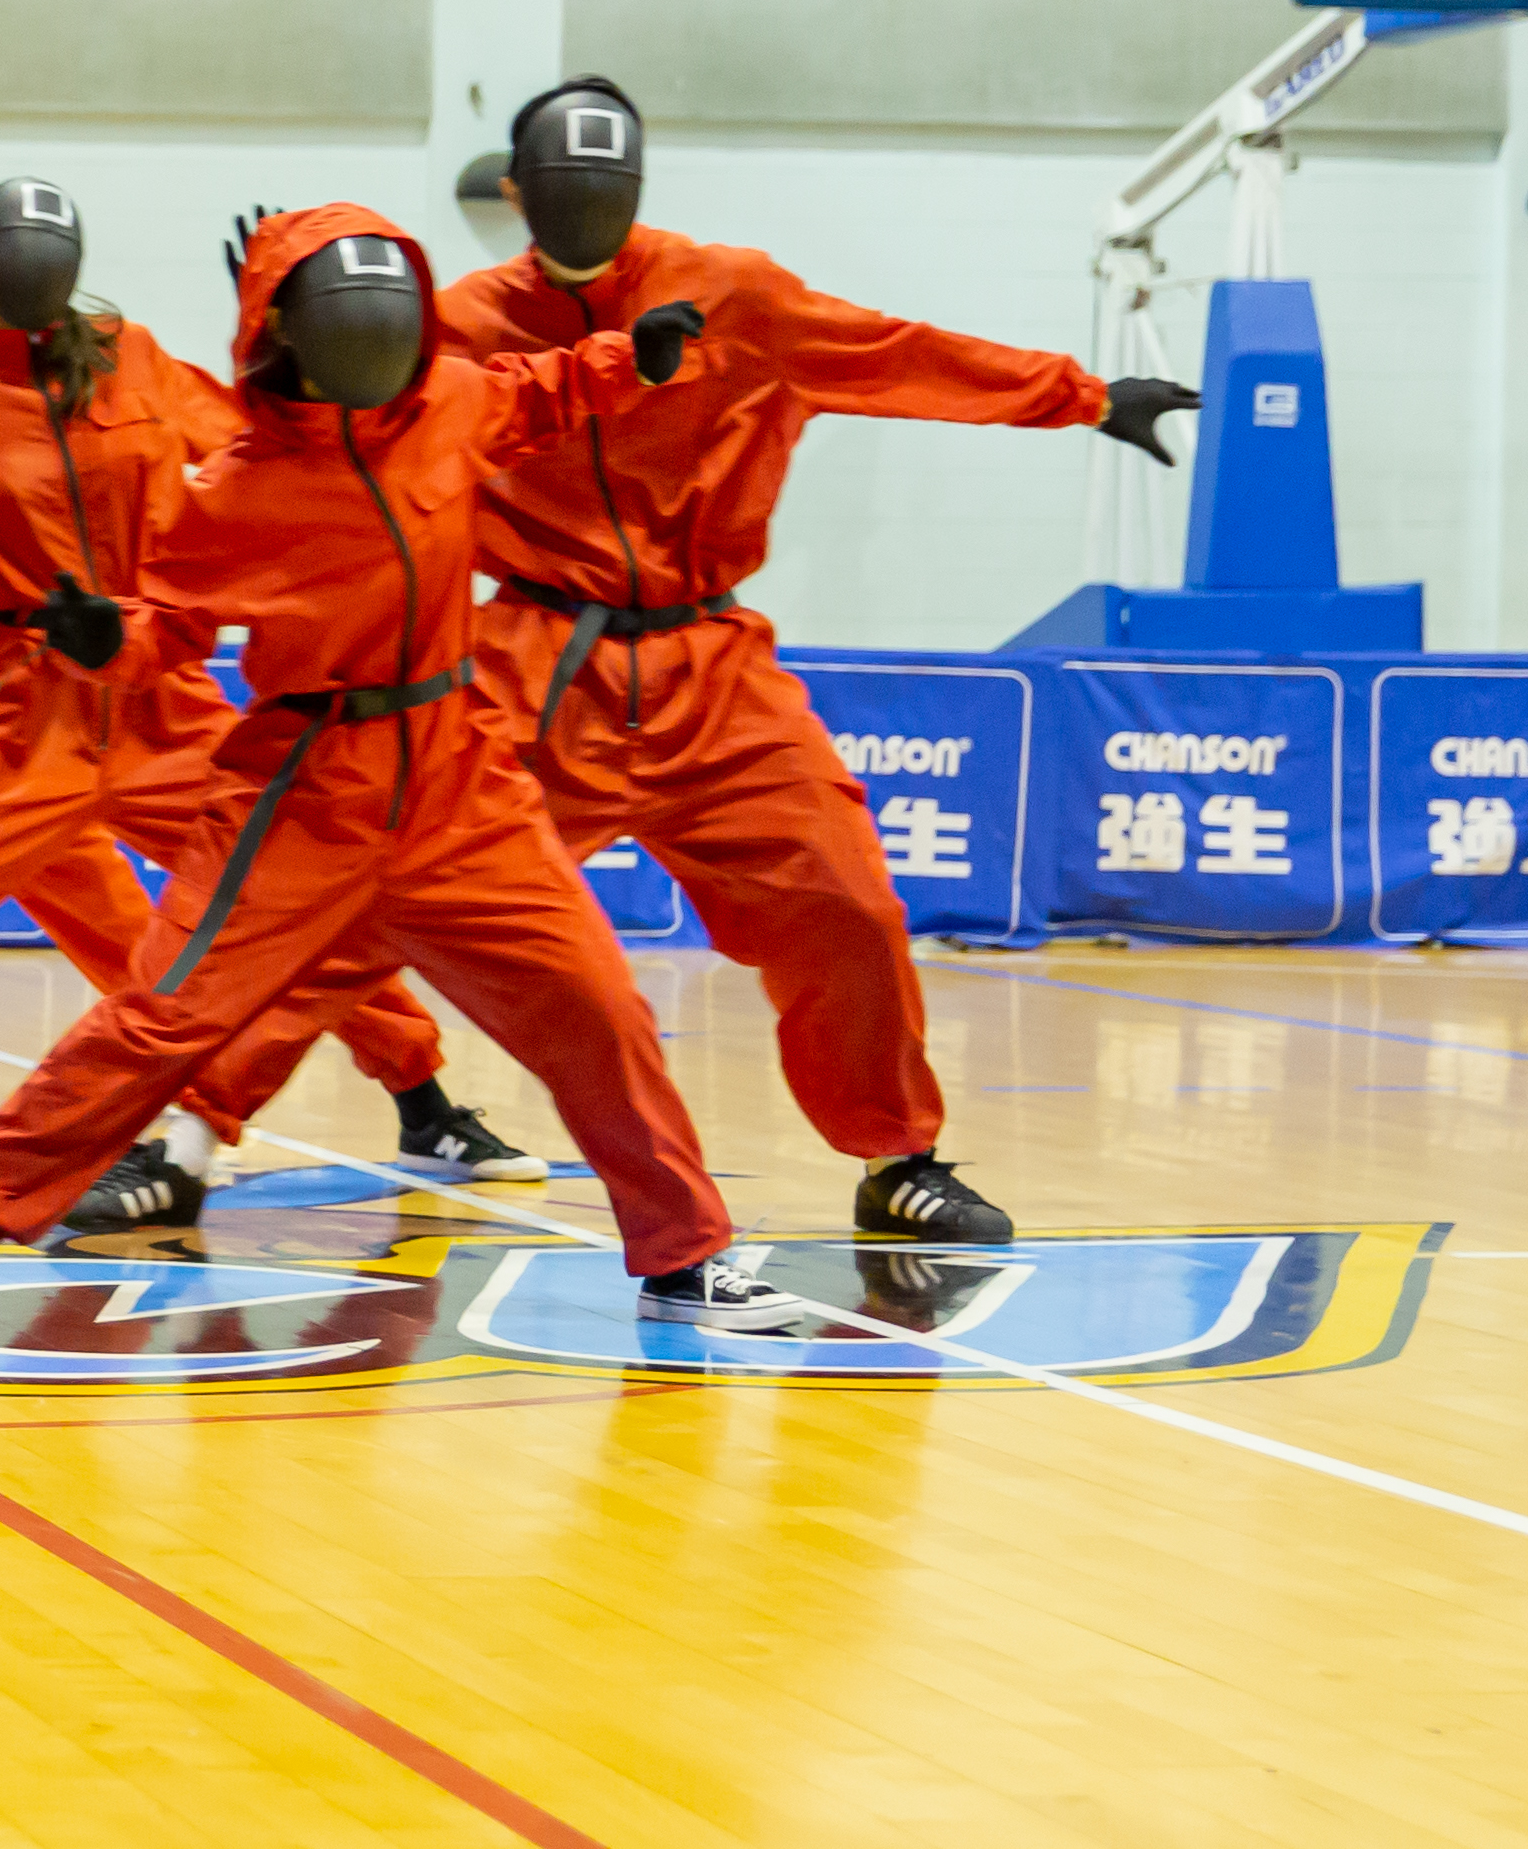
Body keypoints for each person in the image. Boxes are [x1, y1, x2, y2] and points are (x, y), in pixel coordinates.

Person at [0, 203, 798, 1333]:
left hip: (461, 784)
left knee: (598, 1008)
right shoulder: (240, 486)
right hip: (303, 795)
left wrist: (630, 357)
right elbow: (169, 617)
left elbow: (547, 390)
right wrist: (105, 637)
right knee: (161, 1018)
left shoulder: (453, 403)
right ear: (291, 337)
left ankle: (684, 1257)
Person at [441, 77, 1200, 1243]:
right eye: (559, 191)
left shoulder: (733, 293)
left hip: (711, 668)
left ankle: (898, 1160)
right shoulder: (460, 321)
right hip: (536, 665)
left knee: (845, 904)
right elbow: (353, 439)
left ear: (636, 192)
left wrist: (1085, 396)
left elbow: (897, 355)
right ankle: (208, 1123)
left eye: (606, 191)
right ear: (512, 194)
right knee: (368, 881)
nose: (584, 209)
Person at [0, 180, 505, 1211]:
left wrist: (283, 347)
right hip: (25, 709)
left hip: (160, 693)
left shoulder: (138, 357)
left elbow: (255, 452)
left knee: (289, 902)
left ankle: (422, 1098)